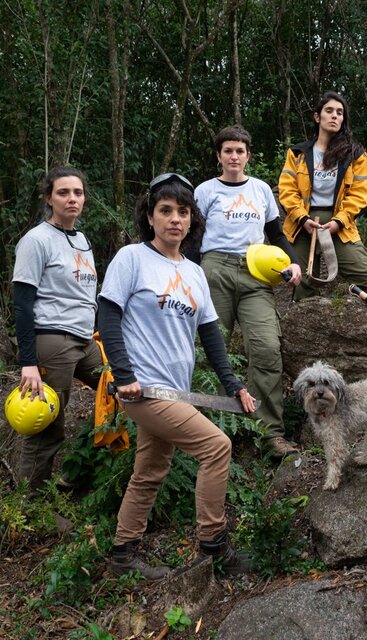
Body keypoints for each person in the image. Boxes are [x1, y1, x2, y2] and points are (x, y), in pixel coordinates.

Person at [98, 173, 257, 579]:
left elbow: (211, 336)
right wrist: (124, 372)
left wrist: (233, 385)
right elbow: (108, 314)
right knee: (217, 446)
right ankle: (213, 545)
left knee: (150, 470)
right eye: (165, 211)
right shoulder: (132, 258)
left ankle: (122, 555)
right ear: (149, 216)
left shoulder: (194, 272)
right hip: (144, 389)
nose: (175, 219)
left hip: (177, 391)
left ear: (192, 220)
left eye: (183, 212)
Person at [194, 125, 302, 457]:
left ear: (248, 156)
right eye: (228, 150)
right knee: (207, 350)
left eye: (240, 151)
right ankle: (199, 428)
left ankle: (269, 434)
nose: (234, 156)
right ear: (218, 156)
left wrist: (293, 262)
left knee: (267, 348)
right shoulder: (205, 191)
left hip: (257, 274)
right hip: (215, 270)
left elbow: (276, 233)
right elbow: (191, 238)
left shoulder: (260, 191)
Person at [12, 166, 102, 493]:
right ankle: (31, 505)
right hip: (51, 340)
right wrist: (28, 362)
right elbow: (22, 303)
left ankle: (78, 475)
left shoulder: (82, 239)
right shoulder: (36, 240)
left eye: (77, 193)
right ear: (49, 198)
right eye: (63, 192)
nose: (72, 199)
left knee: (118, 393)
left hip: (83, 340)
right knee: (46, 425)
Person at [278, 91, 367, 300]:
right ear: (317, 117)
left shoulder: (355, 154)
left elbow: (359, 196)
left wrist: (339, 222)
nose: (335, 116)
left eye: (340, 113)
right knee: (300, 281)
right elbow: (287, 190)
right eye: (329, 111)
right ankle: (304, 326)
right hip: (302, 223)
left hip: (339, 223)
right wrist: (303, 219)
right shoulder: (297, 153)